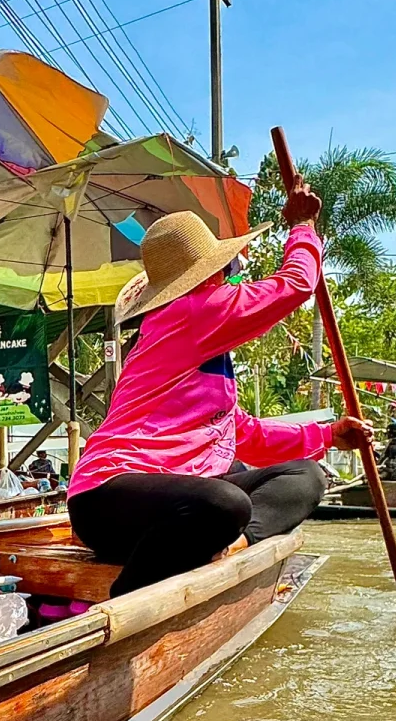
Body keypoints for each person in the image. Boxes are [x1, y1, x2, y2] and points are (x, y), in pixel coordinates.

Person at [67, 192, 371, 596]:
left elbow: (243, 436)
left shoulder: (206, 353)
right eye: (228, 268)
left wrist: (329, 436)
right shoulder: (189, 312)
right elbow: (296, 285)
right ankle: (128, 595)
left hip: (182, 507)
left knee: (307, 475)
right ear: (212, 272)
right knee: (225, 503)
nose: (234, 273)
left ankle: (232, 546)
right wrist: (302, 227)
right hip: (108, 501)